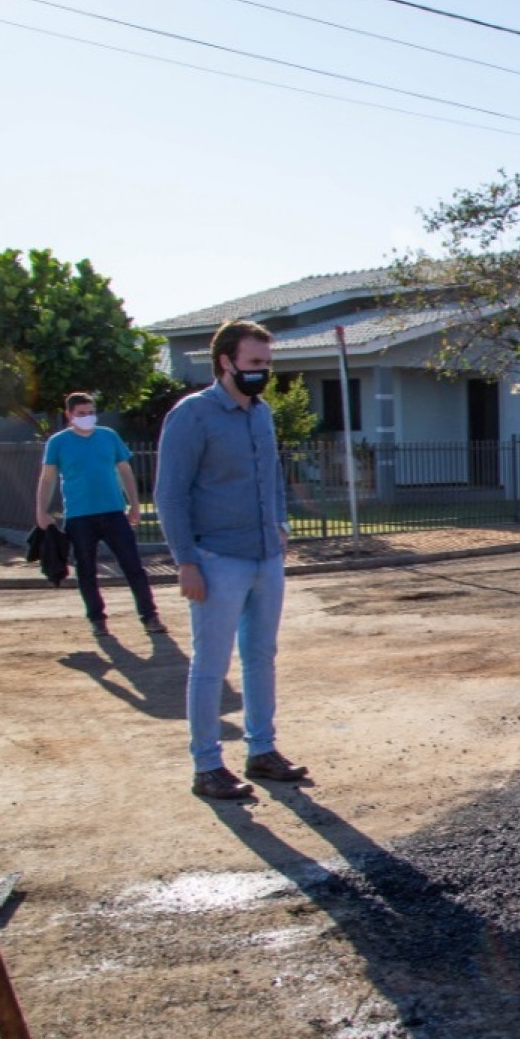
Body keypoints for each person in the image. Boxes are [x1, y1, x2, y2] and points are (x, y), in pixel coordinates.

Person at [155, 319, 309, 802]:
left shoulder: (261, 413)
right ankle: (207, 766)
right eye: (255, 363)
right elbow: (169, 495)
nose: (263, 372)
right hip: (216, 558)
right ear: (226, 361)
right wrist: (186, 562)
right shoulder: (192, 415)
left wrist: (280, 523)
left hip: (266, 557)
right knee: (211, 665)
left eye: (268, 363)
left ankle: (261, 750)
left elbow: (273, 477)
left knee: (261, 656)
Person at [35, 392, 166, 639]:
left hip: (114, 512)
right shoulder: (58, 442)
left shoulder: (108, 436)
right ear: (70, 415)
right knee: (86, 570)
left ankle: (149, 615)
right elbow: (48, 477)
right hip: (79, 516)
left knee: (133, 566)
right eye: (81, 414)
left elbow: (125, 470)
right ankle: (97, 619)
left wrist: (135, 504)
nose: (87, 418)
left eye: (91, 412)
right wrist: (41, 510)